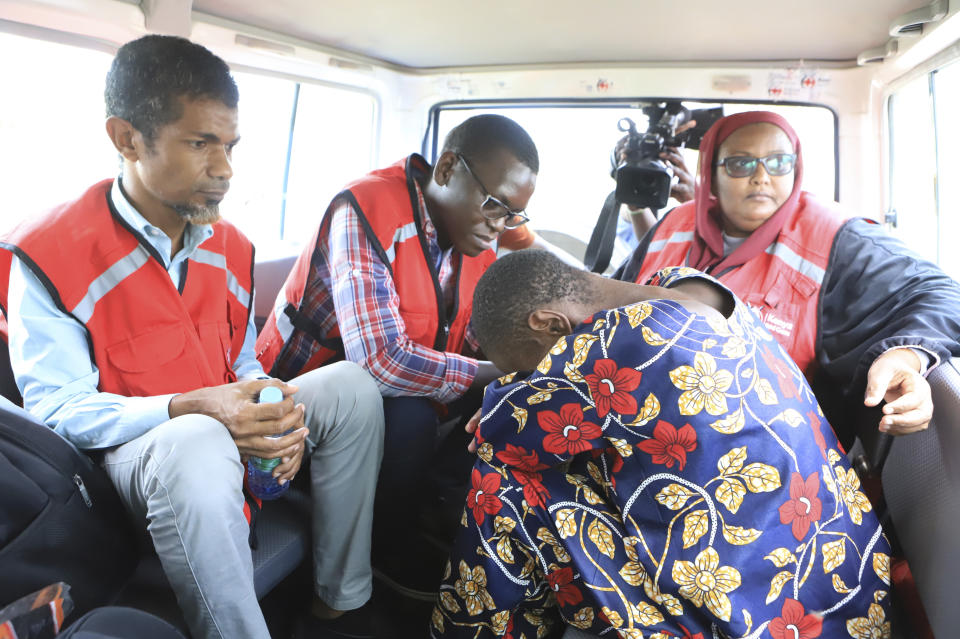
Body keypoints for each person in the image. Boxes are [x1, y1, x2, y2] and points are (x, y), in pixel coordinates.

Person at [0, 35, 384, 639]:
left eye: (230, 145)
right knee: (198, 441)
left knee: (352, 386)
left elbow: (240, 363)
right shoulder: (49, 255)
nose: (225, 170)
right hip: (125, 467)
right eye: (200, 143)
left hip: (217, 426)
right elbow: (57, 413)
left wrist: (272, 417)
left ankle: (341, 604)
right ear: (127, 139)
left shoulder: (230, 245)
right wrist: (192, 408)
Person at [432, 250, 892, 639]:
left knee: (502, 480)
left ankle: (463, 627)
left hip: (757, 622)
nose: (539, 376)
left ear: (551, 323)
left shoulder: (609, 349)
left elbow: (496, 432)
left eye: (532, 365)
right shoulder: (690, 287)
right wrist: (534, 386)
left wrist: (515, 396)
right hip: (855, 600)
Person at [255, 115, 539, 597]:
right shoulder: (364, 210)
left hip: (388, 409)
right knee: (410, 416)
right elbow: (379, 362)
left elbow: (469, 340)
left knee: (506, 391)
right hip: (297, 417)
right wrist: (492, 369)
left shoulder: (473, 242)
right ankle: (386, 548)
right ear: (448, 169)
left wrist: (521, 366)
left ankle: (435, 511)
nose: (499, 228)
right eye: (494, 206)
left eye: (512, 216)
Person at [616, 110, 960, 446]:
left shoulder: (836, 235)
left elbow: (943, 295)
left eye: (779, 162)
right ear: (711, 173)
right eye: (741, 163)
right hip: (639, 429)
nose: (761, 176)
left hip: (769, 448)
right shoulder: (673, 224)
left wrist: (904, 358)